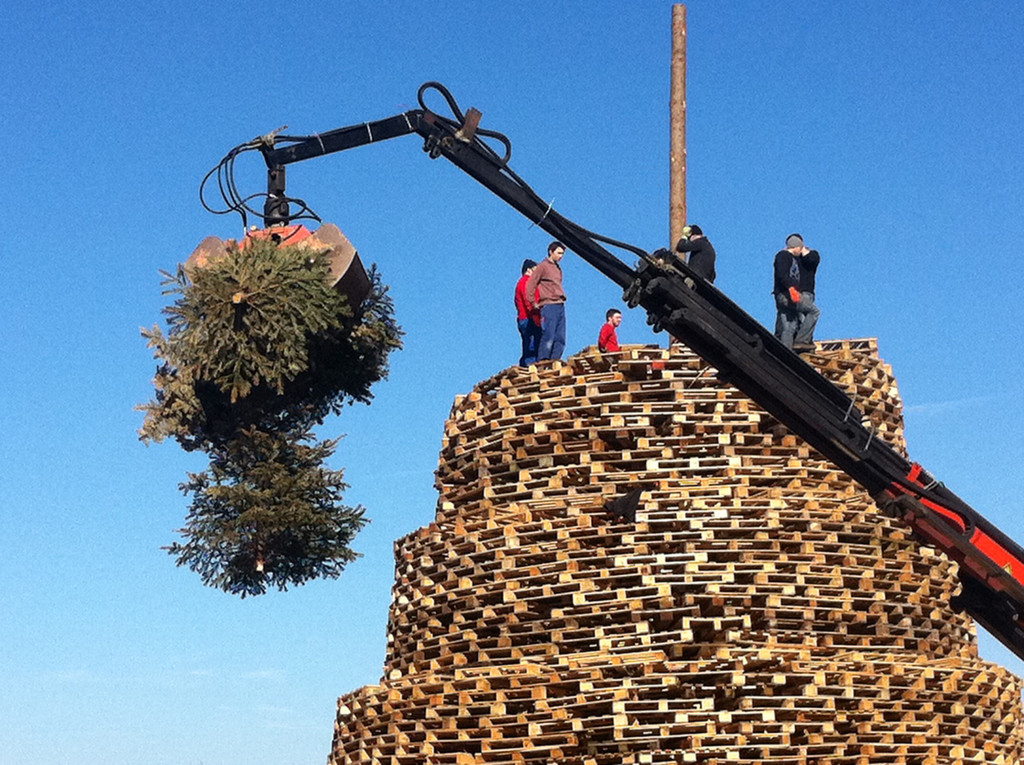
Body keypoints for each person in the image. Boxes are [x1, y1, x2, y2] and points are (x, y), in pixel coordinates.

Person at [772, 233, 821, 352]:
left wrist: (805, 253)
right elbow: (783, 275)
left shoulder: (806, 256)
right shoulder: (785, 257)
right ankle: (801, 341)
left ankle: (786, 352)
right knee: (812, 313)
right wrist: (792, 289)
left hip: (788, 294)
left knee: (789, 327)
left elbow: (813, 260)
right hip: (790, 295)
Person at [525, 241, 568, 361]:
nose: (561, 256)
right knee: (549, 334)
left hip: (559, 304)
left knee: (560, 337)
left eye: (562, 254)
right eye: (559, 253)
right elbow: (531, 284)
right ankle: (543, 360)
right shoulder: (543, 266)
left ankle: (555, 360)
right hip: (549, 304)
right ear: (551, 252)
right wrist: (532, 302)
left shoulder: (557, 268)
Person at [514, 259, 543, 366]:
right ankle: (530, 366)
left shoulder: (522, 283)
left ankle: (527, 365)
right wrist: (536, 316)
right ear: (529, 270)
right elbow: (529, 300)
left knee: (529, 345)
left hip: (525, 318)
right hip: (529, 318)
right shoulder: (527, 282)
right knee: (532, 345)